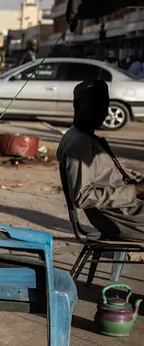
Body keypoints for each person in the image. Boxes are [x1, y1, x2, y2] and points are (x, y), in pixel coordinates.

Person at [58, 79, 144, 242]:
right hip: (124, 219)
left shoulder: (85, 137)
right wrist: (136, 190)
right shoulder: (79, 143)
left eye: (104, 106)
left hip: (128, 211)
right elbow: (83, 197)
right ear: (77, 105)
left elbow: (111, 176)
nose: (100, 112)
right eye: (94, 105)